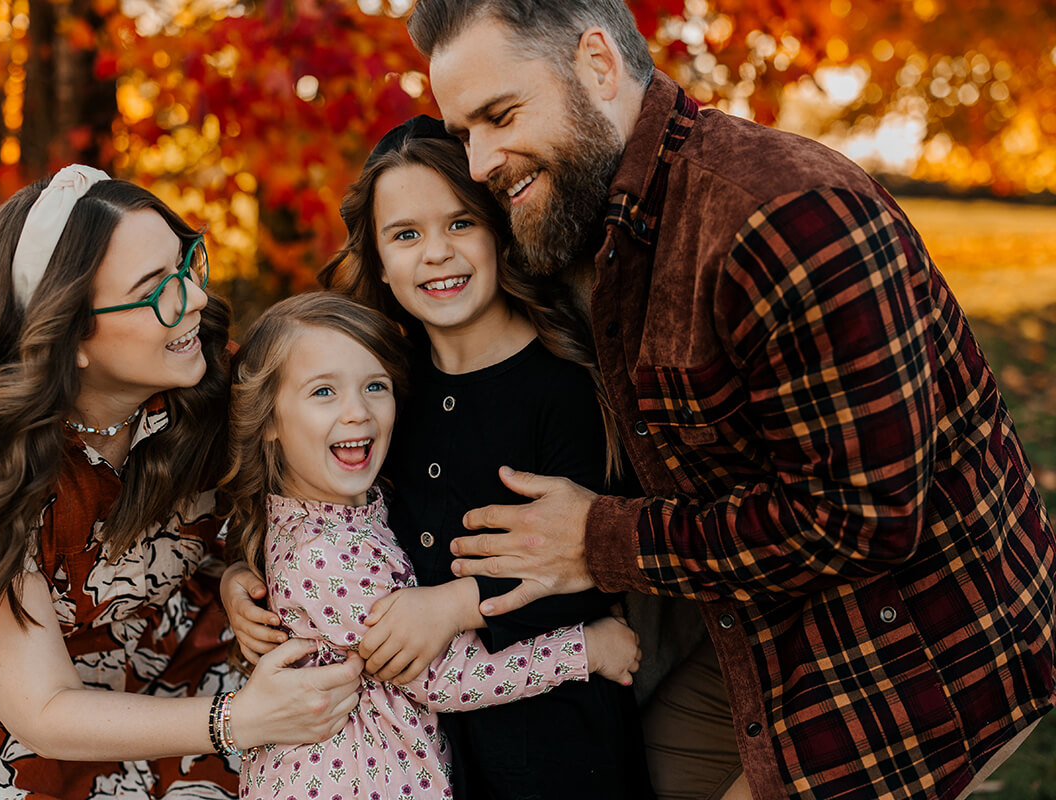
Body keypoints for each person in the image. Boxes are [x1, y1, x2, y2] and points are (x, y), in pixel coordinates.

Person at [403, 2, 1056, 800]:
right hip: (752, 621)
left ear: (598, 65)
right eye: (464, 131)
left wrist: (601, 539)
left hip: (917, 646)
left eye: (500, 116)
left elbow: (865, 521)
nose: (477, 163)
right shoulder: (586, 216)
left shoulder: (786, 218)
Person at [0, 166, 362, 799]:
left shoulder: (213, 382)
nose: (194, 299)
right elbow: (44, 711)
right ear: (69, 336)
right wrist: (239, 720)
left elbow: (311, 496)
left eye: (187, 265)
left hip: (152, 659)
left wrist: (238, 572)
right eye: (156, 289)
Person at [314, 114, 653, 799]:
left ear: (499, 231)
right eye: (406, 235)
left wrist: (451, 606)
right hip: (417, 752)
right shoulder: (379, 388)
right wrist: (245, 580)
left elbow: (599, 560)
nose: (436, 253)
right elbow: (312, 500)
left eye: (460, 223)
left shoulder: (564, 381)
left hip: (556, 747)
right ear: (379, 260)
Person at [218, 291, 642, 799]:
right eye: (323, 391)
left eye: (375, 386)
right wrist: (587, 649)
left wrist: (233, 576)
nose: (357, 411)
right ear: (268, 420)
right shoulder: (327, 555)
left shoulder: (327, 508)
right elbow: (451, 678)